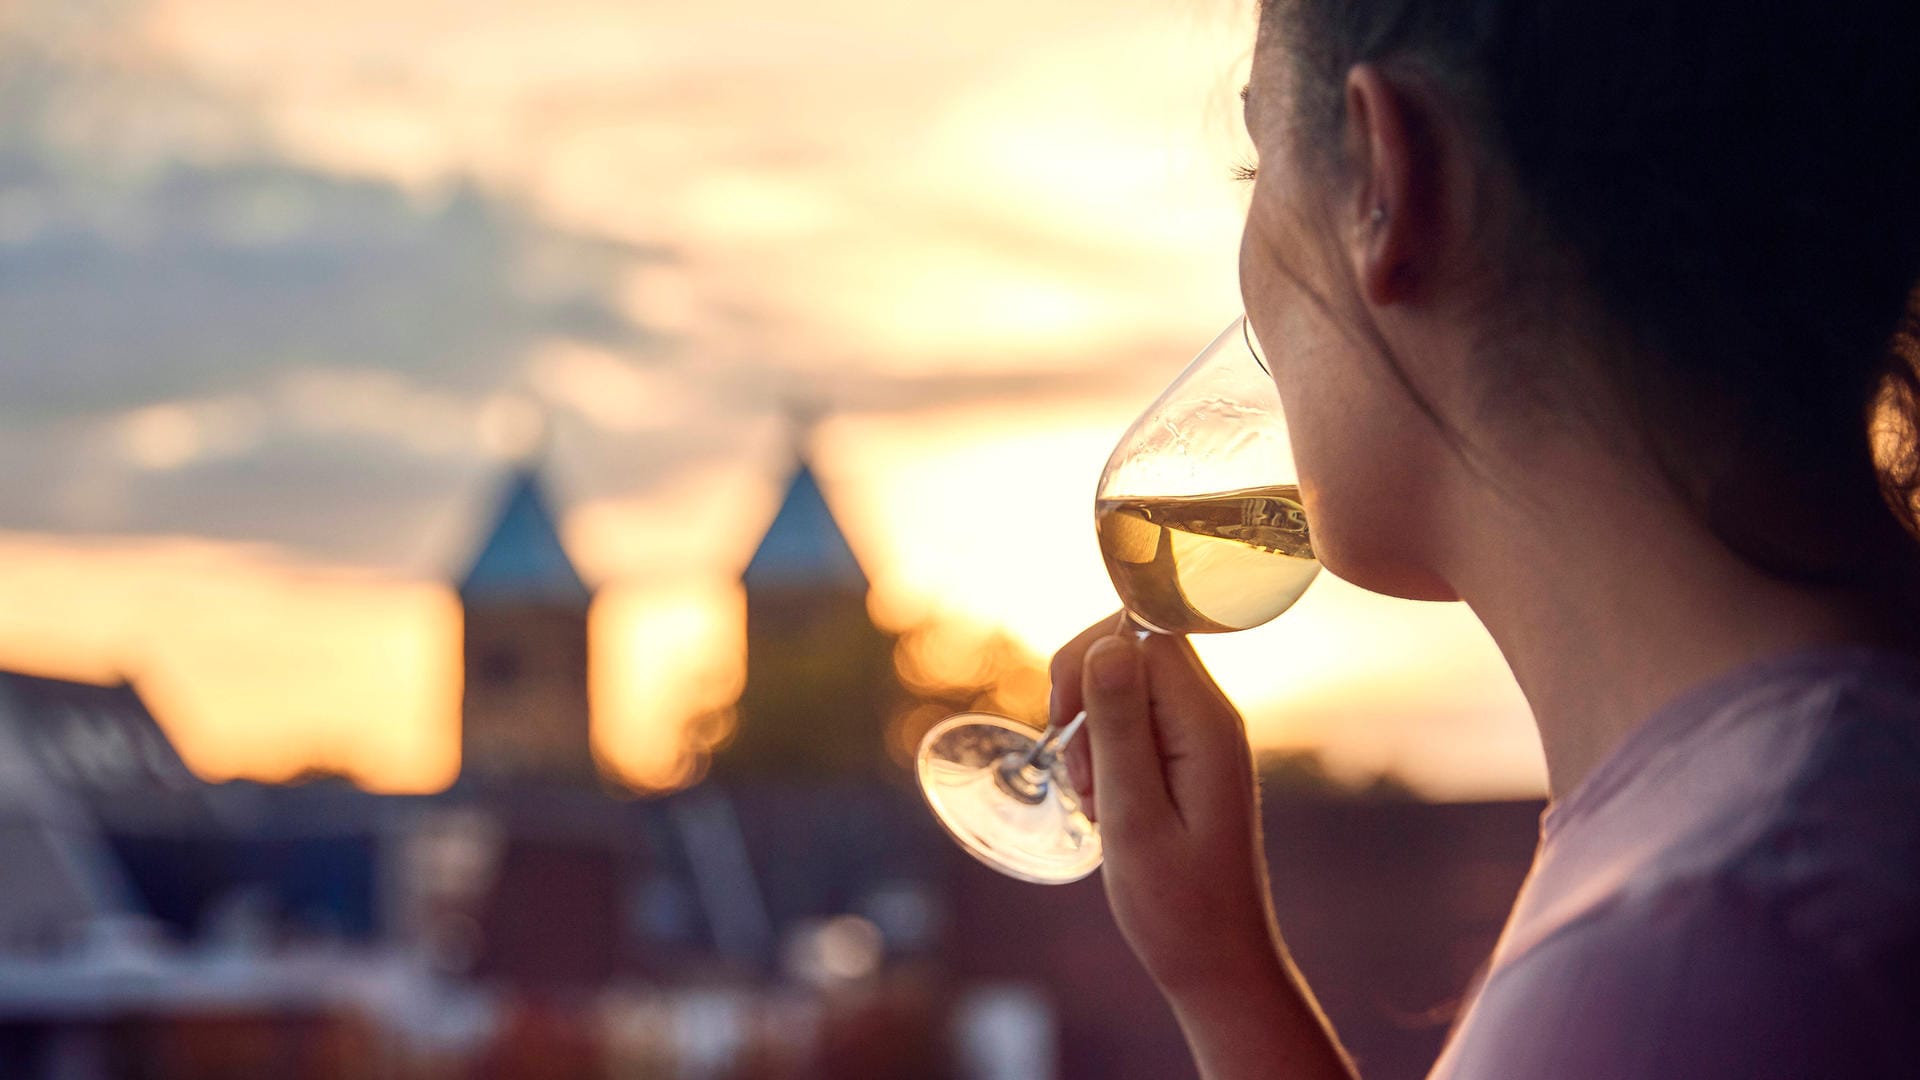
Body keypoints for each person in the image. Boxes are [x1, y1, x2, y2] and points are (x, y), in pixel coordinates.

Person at [1051, 2, 1920, 1077]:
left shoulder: (1710, 944)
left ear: (1383, 176)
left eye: (1255, 167)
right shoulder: (1759, 835)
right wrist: (1225, 977)